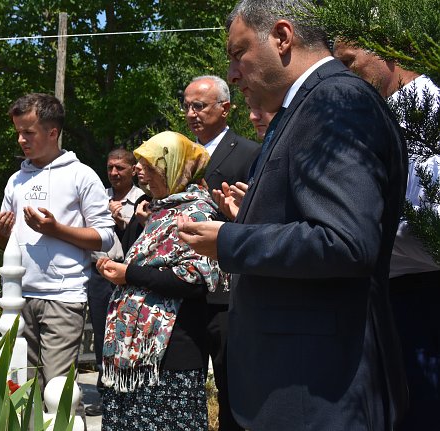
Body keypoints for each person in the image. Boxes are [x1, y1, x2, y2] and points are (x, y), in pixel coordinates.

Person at [177, 1, 408, 429]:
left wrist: (229, 241)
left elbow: (345, 241)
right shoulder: (306, 105)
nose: (231, 73)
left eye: (237, 53)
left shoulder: (336, 100)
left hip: (321, 392)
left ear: (282, 37)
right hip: (301, 388)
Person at [334, 39, 440, 430]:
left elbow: (430, 229)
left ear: (388, 51)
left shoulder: (427, 111)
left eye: (349, 62)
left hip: (423, 297)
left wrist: (353, 235)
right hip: (384, 298)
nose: (342, 75)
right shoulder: (374, 116)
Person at [97, 131, 223, 431]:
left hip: (172, 353)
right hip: (139, 355)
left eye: (149, 166)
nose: (140, 172)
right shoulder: (160, 210)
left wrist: (129, 274)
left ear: (173, 168)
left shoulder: (197, 212)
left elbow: (194, 279)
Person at [0, 94, 116, 397]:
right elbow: (3, 243)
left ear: (52, 132)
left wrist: (55, 229)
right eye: (18, 132)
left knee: (58, 391)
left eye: (28, 132)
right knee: (24, 390)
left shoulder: (81, 175)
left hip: (64, 296)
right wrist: (3, 234)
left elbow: (105, 237)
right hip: (17, 297)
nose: (21, 139)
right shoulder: (16, 180)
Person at [183, 75, 259, 431]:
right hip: (183, 288)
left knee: (231, 386)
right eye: (186, 106)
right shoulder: (179, 155)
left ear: (225, 109)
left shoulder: (248, 153)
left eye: (199, 105)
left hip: (226, 292)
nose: (191, 113)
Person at [85, 148, 143, 417]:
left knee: (126, 333)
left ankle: (127, 390)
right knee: (101, 334)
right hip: (99, 274)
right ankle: (104, 390)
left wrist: (121, 221)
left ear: (133, 169)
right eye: (110, 168)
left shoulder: (143, 200)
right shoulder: (99, 197)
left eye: (120, 167)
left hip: (129, 276)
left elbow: (141, 237)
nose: (114, 173)